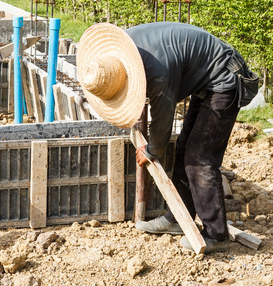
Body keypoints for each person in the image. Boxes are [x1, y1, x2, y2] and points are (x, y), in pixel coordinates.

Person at [77, 22, 258, 253]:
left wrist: (151, 151)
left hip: (225, 79)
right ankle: (177, 219)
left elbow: (163, 117)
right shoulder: (119, 53)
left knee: (200, 158)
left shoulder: (157, 72)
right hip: (208, 77)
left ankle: (217, 235)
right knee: (184, 147)